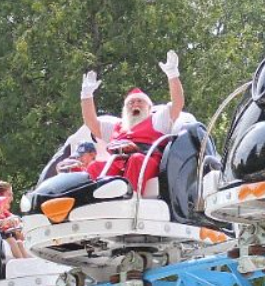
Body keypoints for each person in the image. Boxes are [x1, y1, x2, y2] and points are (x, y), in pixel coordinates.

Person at [79, 50, 185, 194]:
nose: (135, 105)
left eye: (139, 102)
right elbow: (92, 123)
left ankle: (128, 199)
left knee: (136, 159)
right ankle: (91, 204)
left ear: (149, 107)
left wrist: (173, 75)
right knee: (94, 167)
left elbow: (177, 103)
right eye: (131, 102)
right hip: (118, 161)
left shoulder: (157, 119)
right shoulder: (117, 126)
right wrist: (86, 95)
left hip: (145, 159)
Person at [0, 193, 30, 259]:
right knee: (12, 240)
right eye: (0, 206)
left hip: (4, 237)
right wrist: (2, 222)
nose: (2, 208)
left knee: (19, 243)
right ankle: (21, 261)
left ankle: (29, 262)